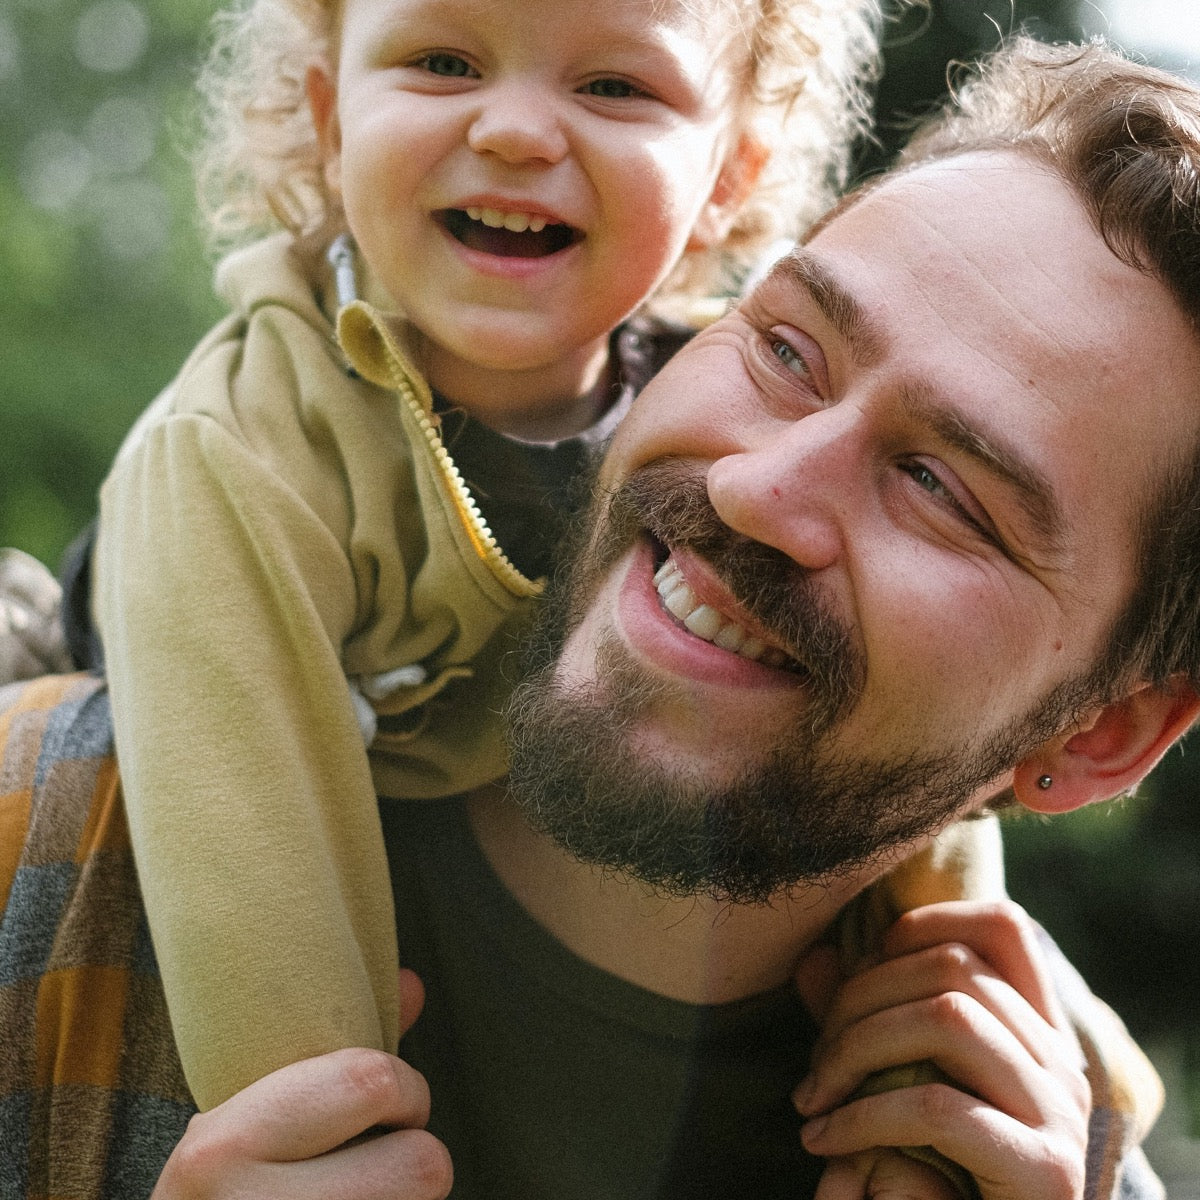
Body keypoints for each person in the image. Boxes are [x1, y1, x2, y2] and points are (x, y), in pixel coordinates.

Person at [4, 34, 1196, 1199]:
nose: (753, 487)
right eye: (787, 349)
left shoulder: (1054, 1159)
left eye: (944, 490)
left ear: (1100, 735)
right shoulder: (32, 852)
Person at [59, 0, 882, 1113]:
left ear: (732, 170)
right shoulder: (236, 451)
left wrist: (948, 959)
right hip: (197, 733)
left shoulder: (733, 434)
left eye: (614, 87)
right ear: (331, 117)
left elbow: (903, 734)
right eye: (443, 61)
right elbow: (242, 871)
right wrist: (312, 1128)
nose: (516, 132)